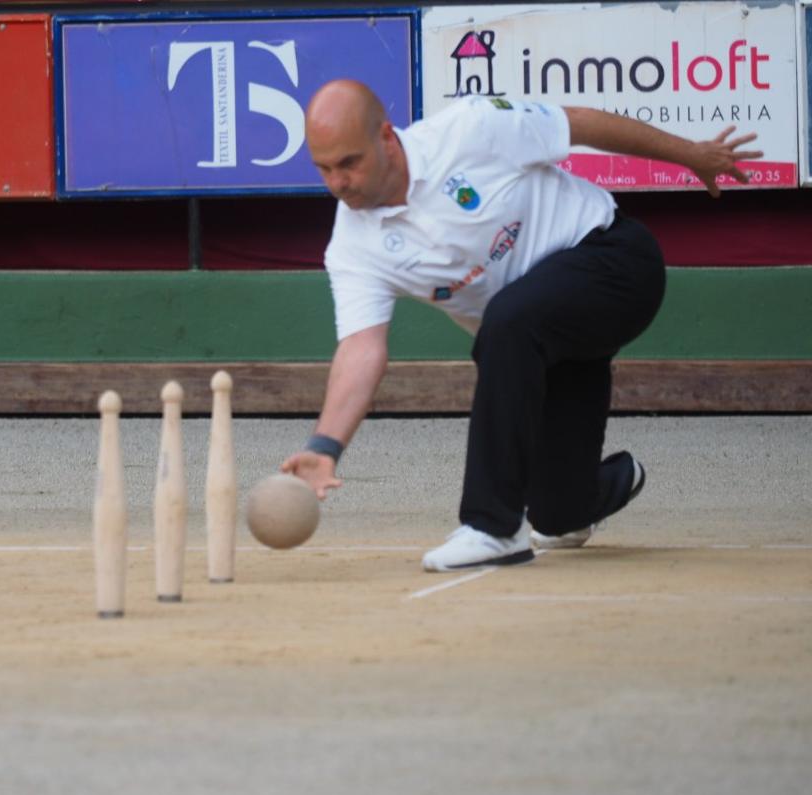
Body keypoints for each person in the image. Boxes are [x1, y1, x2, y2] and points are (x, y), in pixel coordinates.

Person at [279, 80, 762, 571]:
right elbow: (362, 349)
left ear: (386, 137)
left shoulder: (472, 128)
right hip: (549, 339)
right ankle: (605, 484)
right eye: (324, 168)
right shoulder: (352, 247)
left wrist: (692, 155)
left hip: (614, 263)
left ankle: (492, 527)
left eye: (349, 163)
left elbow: (583, 124)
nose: (338, 182)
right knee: (557, 517)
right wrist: (325, 447)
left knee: (507, 319)